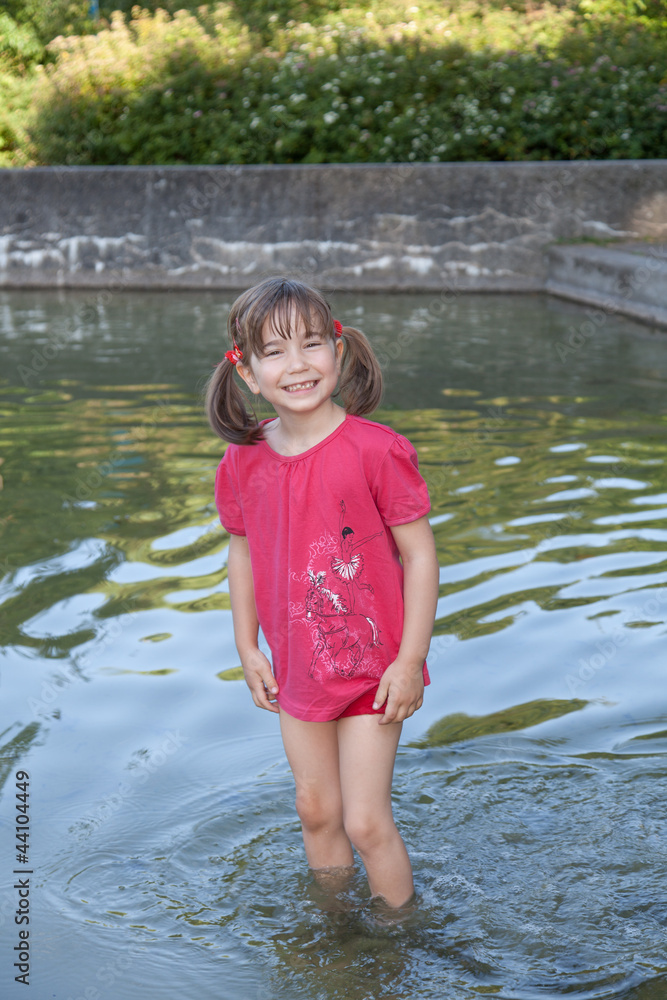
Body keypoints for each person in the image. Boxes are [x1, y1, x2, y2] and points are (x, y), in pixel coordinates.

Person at [206, 276, 439, 911]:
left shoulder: (377, 450)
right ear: (247, 372)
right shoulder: (243, 461)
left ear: (338, 349)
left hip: (376, 671)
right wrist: (245, 645)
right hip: (298, 669)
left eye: (312, 344)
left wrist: (410, 660)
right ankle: (335, 931)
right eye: (274, 351)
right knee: (315, 810)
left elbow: (419, 556)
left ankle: (398, 937)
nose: (298, 364)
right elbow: (243, 549)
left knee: (366, 821)